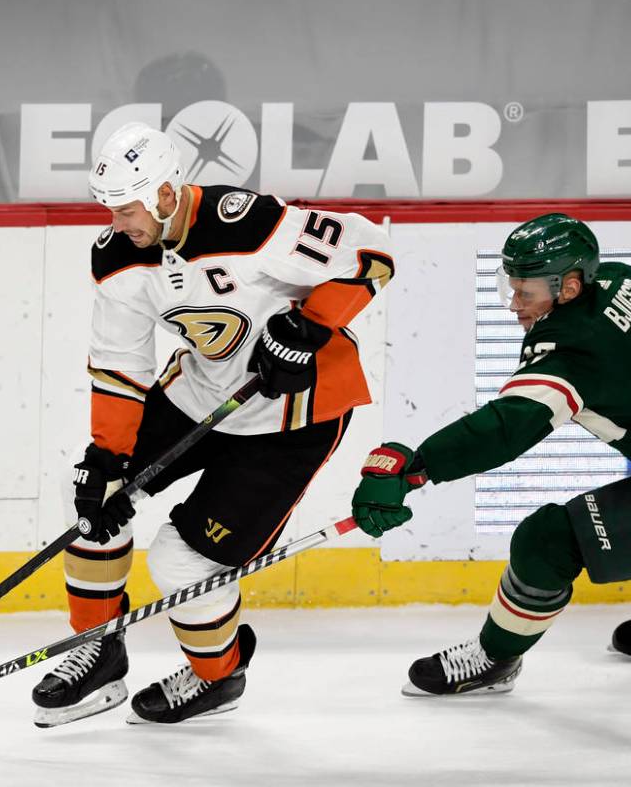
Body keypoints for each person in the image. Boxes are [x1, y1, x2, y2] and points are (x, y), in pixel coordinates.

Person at [32, 122, 396, 725]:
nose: (118, 225)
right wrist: (106, 456)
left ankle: (215, 677)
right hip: (198, 395)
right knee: (94, 499)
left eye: (127, 211)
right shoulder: (119, 257)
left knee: (182, 562)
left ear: (166, 194)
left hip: (292, 416)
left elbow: (372, 254)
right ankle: (96, 651)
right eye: (111, 211)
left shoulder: (245, 222)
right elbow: (121, 365)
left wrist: (306, 329)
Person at [350, 212, 631, 696]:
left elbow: (504, 428)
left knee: (547, 540)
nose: (515, 304)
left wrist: (419, 466)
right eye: (512, 287)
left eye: (527, 292)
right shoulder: (624, 277)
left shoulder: (568, 355)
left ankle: (495, 659)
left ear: (571, 286)